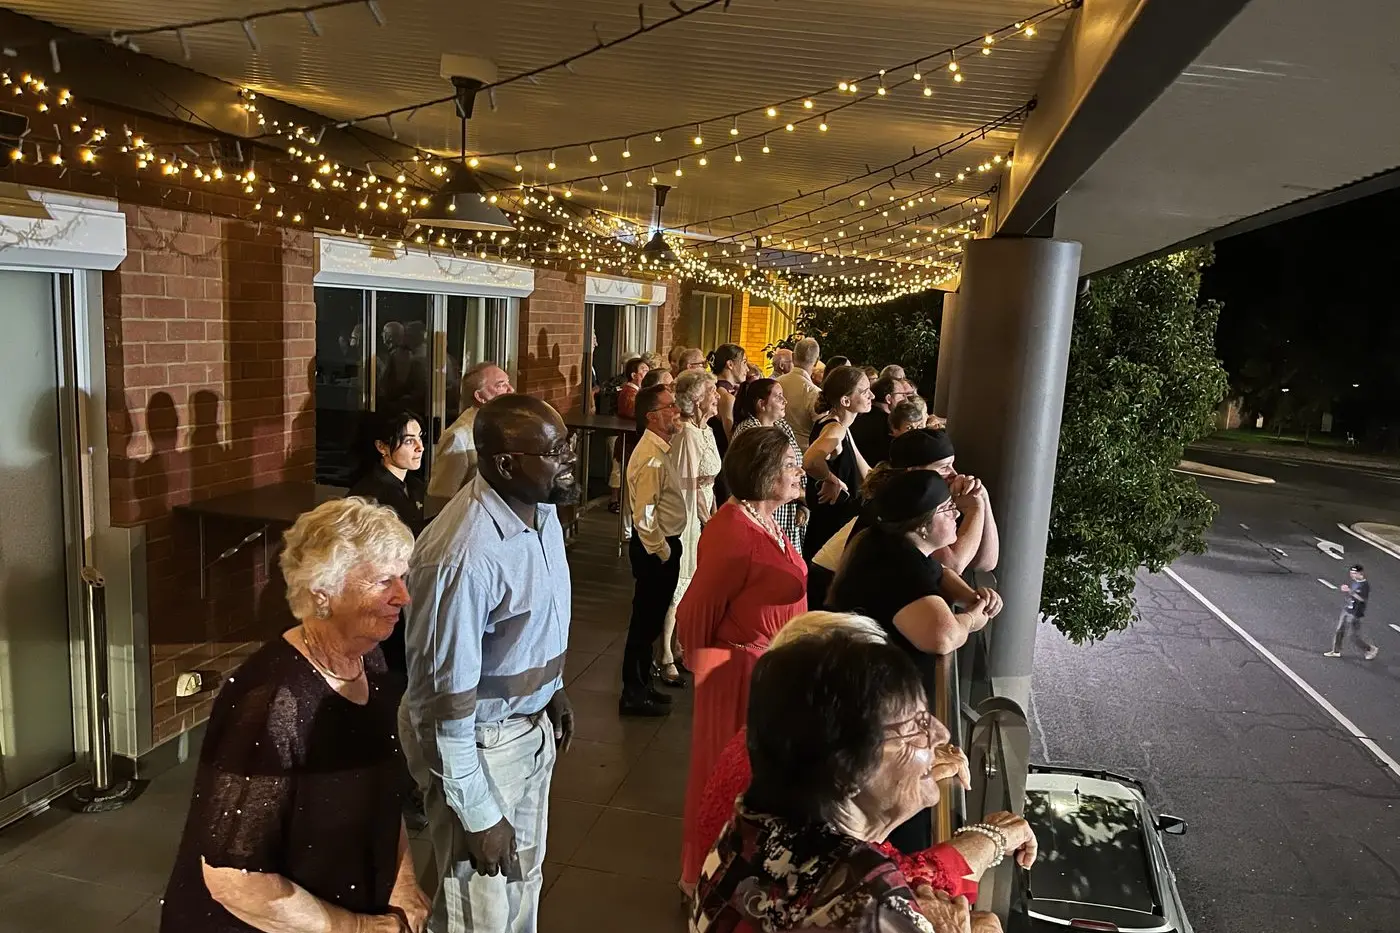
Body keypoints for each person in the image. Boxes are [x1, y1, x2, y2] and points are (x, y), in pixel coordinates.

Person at [160, 498, 429, 933]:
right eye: (384, 581)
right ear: (323, 591)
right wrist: (358, 928)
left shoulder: (371, 663)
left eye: (402, 577)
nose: (403, 595)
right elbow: (234, 880)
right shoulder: (272, 701)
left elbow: (382, 797)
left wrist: (403, 884)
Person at [693, 628, 1031, 933]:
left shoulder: (752, 827)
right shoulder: (876, 907)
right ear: (847, 771)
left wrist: (993, 837)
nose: (942, 734)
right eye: (918, 726)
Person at [400, 395, 579, 933]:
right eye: (554, 451)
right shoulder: (463, 555)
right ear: (504, 463)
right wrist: (477, 814)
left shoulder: (540, 509)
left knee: (523, 886)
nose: (569, 460)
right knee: (477, 914)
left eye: (566, 445)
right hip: (480, 745)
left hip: (529, 729)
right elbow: (440, 702)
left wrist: (554, 688)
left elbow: (533, 620)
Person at [828, 469, 1003, 855]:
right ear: (922, 527)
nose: (955, 513)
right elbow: (942, 636)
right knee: (889, 830)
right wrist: (974, 618)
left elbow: (939, 573)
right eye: (946, 509)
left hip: (867, 701)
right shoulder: (894, 565)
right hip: (871, 719)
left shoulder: (891, 544)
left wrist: (974, 596)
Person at [677, 427, 809, 896]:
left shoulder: (767, 520)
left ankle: (740, 876)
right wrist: (714, 680)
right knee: (724, 775)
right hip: (738, 676)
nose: (800, 472)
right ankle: (708, 878)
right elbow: (695, 614)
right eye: (791, 465)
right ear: (765, 474)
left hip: (766, 672)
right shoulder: (732, 530)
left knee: (752, 780)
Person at [621, 384, 688, 716]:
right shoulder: (650, 456)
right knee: (644, 623)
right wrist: (663, 552)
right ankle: (633, 692)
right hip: (655, 549)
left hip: (660, 545)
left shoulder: (660, 449)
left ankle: (643, 684)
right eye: (670, 406)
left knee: (649, 621)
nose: (676, 411)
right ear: (652, 416)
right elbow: (645, 515)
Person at [661, 370, 724, 687]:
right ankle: (665, 655)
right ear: (698, 398)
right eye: (712, 391)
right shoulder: (686, 434)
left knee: (693, 584)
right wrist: (707, 520)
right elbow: (688, 486)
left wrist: (714, 513)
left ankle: (681, 645)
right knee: (680, 584)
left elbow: (708, 483)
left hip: (703, 512)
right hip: (686, 517)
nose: (718, 396)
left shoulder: (707, 431)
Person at [802, 365, 874, 605]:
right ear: (845, 400)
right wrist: (830, 478)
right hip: (830, 530)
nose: (872, 396)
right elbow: (811, 460)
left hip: (837, 528)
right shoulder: (835, 428)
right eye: (864, 391)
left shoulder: (843, 428)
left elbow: (869, 476)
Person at [733, 377, 806, 553]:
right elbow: (762, 476)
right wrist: (799, 494)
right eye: (778, 396)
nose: (784, 401)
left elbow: (796, 461)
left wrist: (802, 502)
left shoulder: (783, 426)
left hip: (790, 509)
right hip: (765, 509)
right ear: (761, 404)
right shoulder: (749, 432)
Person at [428, 362, 514, 499]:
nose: (511, 390)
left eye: (508, 382)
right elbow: (441, 495)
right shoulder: (458, 437)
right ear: (480, 397)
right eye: (501, 385)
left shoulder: (506, 426)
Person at [610, 356, 650, 514]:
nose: (647, 373)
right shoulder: (629, 392)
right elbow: (634, 412)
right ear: (634, 375)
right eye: (644, 371)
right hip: (627, 441)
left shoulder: (637, 391)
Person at [851, 374, 915, 468]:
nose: (906, 399)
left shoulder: (858, 418)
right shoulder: (892, 425)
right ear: (888, 399)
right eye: (902, 395)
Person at [776, 337, 822, 449]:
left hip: (775, 447)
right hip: (804, 453)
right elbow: (821, 430)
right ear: (816, 361)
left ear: (793, 356)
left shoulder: (775, 383)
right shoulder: (815, 393)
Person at [1325, 564, 1379, 659]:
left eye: (1354, 573)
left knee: (1353, 636)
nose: (1352, 575)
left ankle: (1370, 649)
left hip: (1355, 613)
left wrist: (1349, 591)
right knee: (1339, 630)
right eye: (1351, 573)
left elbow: (1362, 599)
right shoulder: (1355, 582)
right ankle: (1336, 651)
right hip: (1347, 609)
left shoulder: (1364, 585)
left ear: (1360, 573)